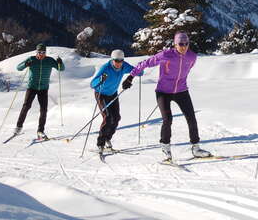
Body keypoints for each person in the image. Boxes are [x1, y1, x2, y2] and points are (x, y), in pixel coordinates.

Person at [125, 32, 211, 161]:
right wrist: (130, 77)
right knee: (168, 119)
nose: (184, 46)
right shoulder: (166, 55)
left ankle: (196, 148)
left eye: (186, 44)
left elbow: (187, 69)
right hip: (163, 91)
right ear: (175, 44)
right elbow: (145, 63)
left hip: (181, 91)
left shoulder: (192, 57)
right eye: (181, 44)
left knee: (191, 118)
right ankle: (165, 146)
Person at [89, 49, 137, 154]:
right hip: (101, 94)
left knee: (116, 118)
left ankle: (107, 138)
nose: (119, 63)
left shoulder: (124, 66)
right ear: (112, 59)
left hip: (113, 94)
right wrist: (100, 79)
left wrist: (130, 78)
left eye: (121, 60)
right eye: (116, 60)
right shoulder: (105, 68)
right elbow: (92, 84)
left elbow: (138, 71)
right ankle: (100, 143)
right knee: (108, 117)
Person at [14, 44, 65, 140]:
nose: (41, 54)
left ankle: (40, 131)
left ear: (45, 53)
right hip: (32, 87)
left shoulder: (49, 60)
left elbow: (61, 69)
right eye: (39, 52)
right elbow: (18, 68)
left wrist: (60, 63)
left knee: (43, 110)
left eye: (43, 52)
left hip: (43, 88)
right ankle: (18, 127)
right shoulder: (31, 59)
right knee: (26, 106)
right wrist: (25, 64)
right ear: (36, 52)